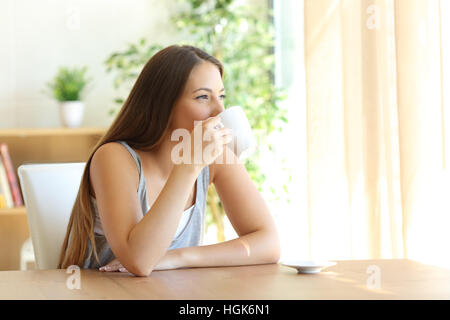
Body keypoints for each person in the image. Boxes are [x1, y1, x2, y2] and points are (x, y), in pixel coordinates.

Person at [58, 44, 280, 277]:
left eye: (221, 96)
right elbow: (139, 261)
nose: (219, 111)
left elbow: (269, 243)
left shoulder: (216, 156)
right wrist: (189, 166)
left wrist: (178, 257)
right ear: (163, 104)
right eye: (203, 97)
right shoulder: (114, 158)